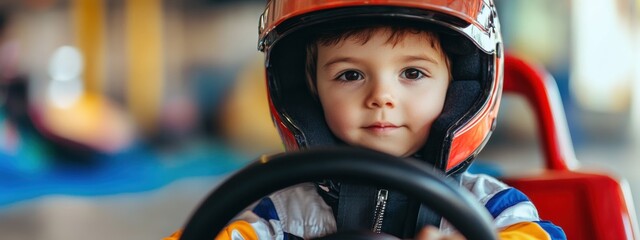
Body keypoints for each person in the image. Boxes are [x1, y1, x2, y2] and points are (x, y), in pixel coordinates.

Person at [166, 1, 566, 239]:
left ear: (458, 90)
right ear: (308, 93)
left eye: (412, 73)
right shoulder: (281, 216)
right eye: (350, 75)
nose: (381, 97)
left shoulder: (490, 209)